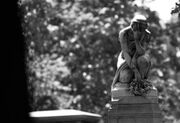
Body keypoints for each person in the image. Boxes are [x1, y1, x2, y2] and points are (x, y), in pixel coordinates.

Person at [111, 15, 151, 89]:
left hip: (139, 56)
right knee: (125, 78)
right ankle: (134, 80)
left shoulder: (146, 34)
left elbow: (141, 52)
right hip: (126, 58)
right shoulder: (123, 33)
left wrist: (136, 40)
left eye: (141, 29)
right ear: (133, 26)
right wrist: (135, 70)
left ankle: (141, 82)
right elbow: (125, 53)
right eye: (137, 28)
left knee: (143, 61)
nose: (139, 31)